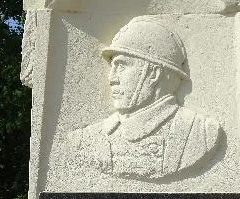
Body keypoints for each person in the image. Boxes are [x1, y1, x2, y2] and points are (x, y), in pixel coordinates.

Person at [65, 17, 221, 180]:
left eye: (122, 66)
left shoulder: (200, 133)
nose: (112, 78)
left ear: (154, 73)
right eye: (113, 67)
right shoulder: (88, 139)